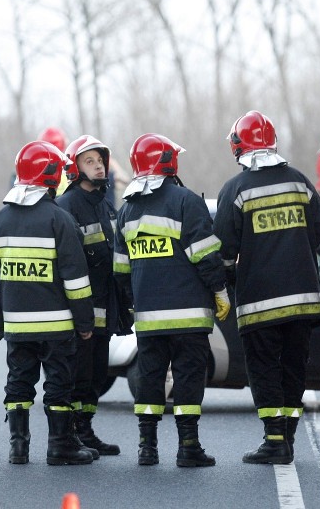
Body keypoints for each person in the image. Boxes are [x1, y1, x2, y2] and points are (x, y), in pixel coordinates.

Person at [213, 111, 320, 465]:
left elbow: (224, 251)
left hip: (260, 302)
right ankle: (288, 438)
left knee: (263, 369)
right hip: (304, 300)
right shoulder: (300, 182)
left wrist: (230, 278)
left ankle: (274, 440)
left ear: (238, 147)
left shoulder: (235, 190)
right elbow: (317, 230)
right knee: (294, 368)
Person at [112, 133, 229, 468]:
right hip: (190, 317)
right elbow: (205, 256)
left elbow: (121, 270)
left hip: (149, 319)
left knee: (150, 379)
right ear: (168, 162)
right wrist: (220, 293)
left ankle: (146, 448)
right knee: (188, 377)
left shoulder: (127, 211)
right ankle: (188, 447)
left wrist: (135, 302)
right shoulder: (186, 201)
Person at [0, 140, 96, 466]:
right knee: (58, 385)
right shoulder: (59, 220)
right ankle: (60, 447)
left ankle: (18, 448)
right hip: (57, 327)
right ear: (50, 175)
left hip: (17, 327)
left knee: (18, 382)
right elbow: (76, 281)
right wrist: (85, 323)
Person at [56, 135, 133, 457]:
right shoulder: (65, 207)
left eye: (100, 161)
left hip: (106, 303)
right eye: (90, 161)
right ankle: (72, 432)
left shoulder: (105, 203)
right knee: (79, 374)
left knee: (98, 374)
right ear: (74, 168)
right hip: (80, 308)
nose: (99, 166)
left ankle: (86, 429)